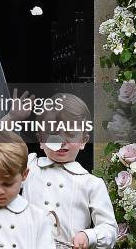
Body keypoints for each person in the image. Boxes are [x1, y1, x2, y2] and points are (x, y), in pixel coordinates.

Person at [22, 93, 117, 249]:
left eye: (71, 134)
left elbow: (110, 229)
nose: (62, 140)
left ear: (83, 141)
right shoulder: (28, 166)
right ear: (40, 139)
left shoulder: (91, 183)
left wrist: (88, 236)